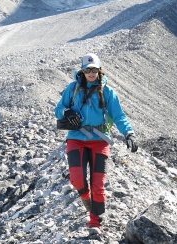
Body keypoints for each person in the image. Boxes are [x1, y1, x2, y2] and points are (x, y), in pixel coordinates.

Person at [55, 53, 138, 235]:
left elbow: (119, 116)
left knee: (98, 184)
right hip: (76, 138)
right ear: (82, 71)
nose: (91, 73)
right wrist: (67, 112)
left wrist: (129, 133)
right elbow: (58, 109)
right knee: (77, 179)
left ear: (99, 70)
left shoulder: (108, 92)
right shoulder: (73, 88)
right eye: (87, 70)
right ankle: (86, 198)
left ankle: (95, 222)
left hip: (100, 141)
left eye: (94, 70)